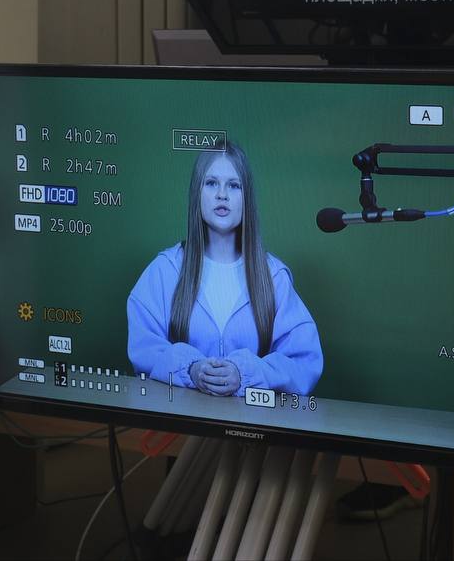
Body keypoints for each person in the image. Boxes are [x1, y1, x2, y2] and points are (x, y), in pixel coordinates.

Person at [127, 141, 323, 397]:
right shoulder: (165, 270)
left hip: (252, 421)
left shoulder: (274, 277)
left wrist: (244, 373)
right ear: (197, 193)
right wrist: (191, 369)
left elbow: (304, 362)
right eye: (211, 183)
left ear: (246, 198)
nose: (222, 195)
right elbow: (144, 349)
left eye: (234, 185)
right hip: (181, 419)